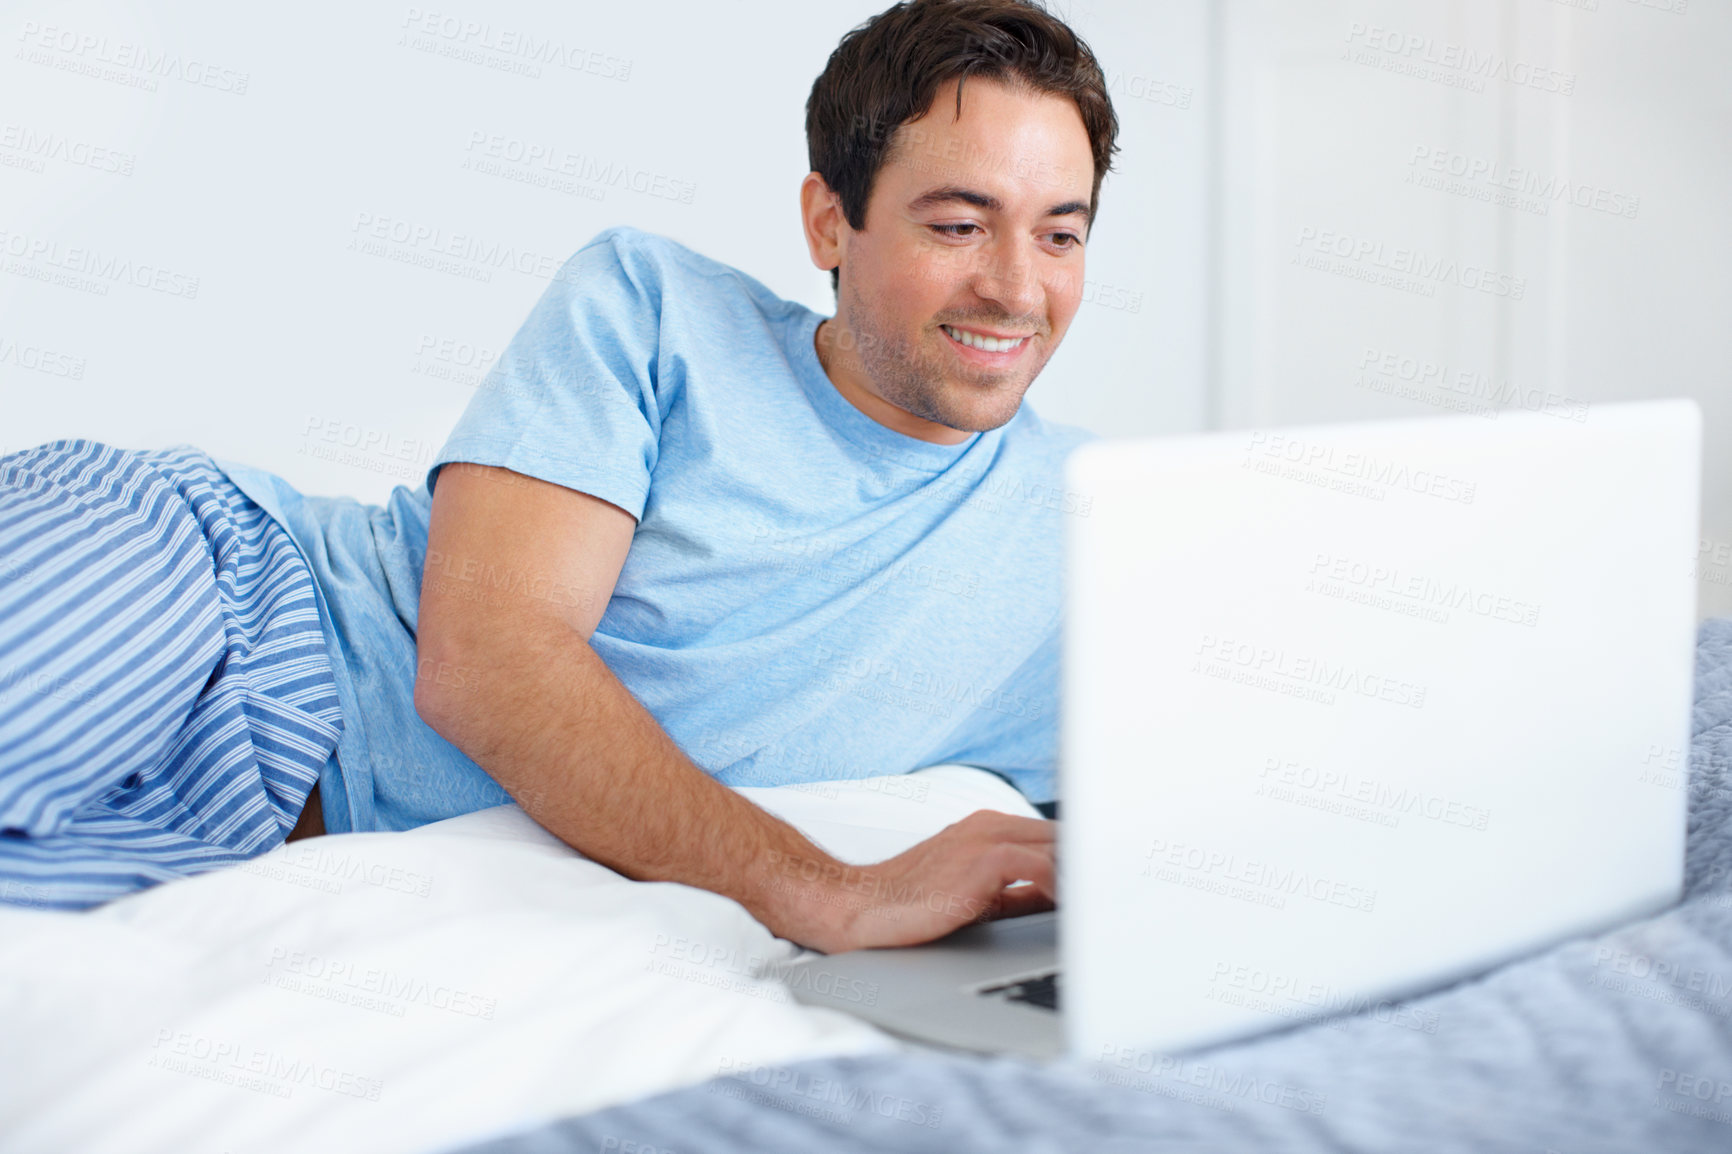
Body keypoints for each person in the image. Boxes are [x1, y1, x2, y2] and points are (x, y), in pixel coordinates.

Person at [0, 0, 1119, 952]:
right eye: (961, 223)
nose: (1015, 287)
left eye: (1059, 236)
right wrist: (828, 888)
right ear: (831, 220)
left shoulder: (1104, 525)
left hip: (248, 829)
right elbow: (488, 664)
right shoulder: (653, 310)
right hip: (228, 608)